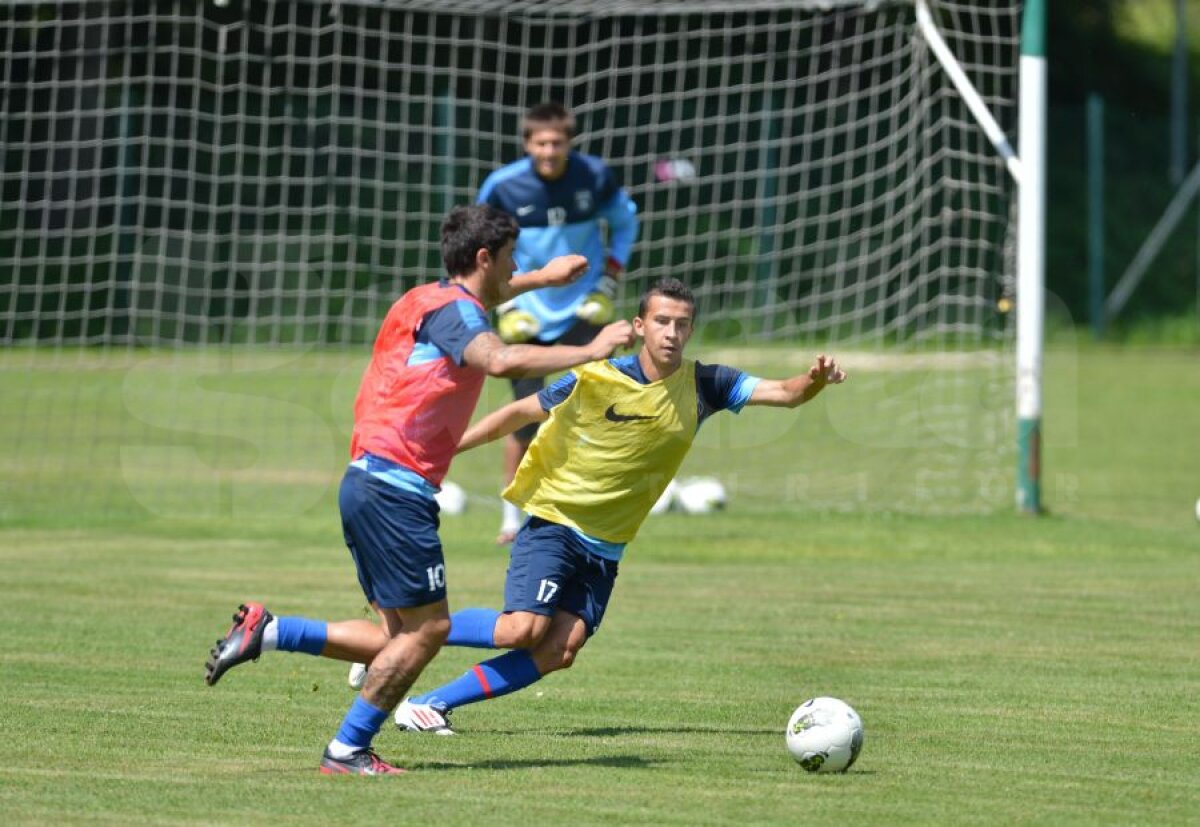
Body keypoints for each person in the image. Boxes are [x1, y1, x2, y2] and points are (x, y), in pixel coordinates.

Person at [202, 204, 634, 775]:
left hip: (366, 480)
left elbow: (489, 296)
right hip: (396, 489)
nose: (515, 268)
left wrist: (543, 279)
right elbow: (500, 359)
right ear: (485, 257)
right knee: (429, 630)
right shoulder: (458, 316)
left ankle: (271, 631)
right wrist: (590, 350)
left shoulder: (425, 299)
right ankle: (347, 749)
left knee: (396, 635)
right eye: (511, 258)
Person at [391, 278, 847, 735]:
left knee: (559, 650)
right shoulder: (596, 378)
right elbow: (518, 414)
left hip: (607, 545)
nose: (671, 333)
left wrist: (813, 380)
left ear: (691, 331)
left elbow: (785, 393)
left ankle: (429, 705)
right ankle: (400, 636)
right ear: (640, 326)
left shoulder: (706, 384)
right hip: (556, 521)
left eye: (681, 324)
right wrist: (444, 451)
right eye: (662, 321)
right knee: (522, 630)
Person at [478, 101, 640, 545]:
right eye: (541, 144)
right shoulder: (503, 186)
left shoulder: (594, 177)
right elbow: (481, 245)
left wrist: (608, 280)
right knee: (524, 417)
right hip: (526, 312)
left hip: (582, 309)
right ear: (527, 144)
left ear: (570, 142)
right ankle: (512, 520)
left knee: (596, 408)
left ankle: (593, 507)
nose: (549, 151)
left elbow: (625, 224)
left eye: (557, 143)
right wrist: (504, 304)